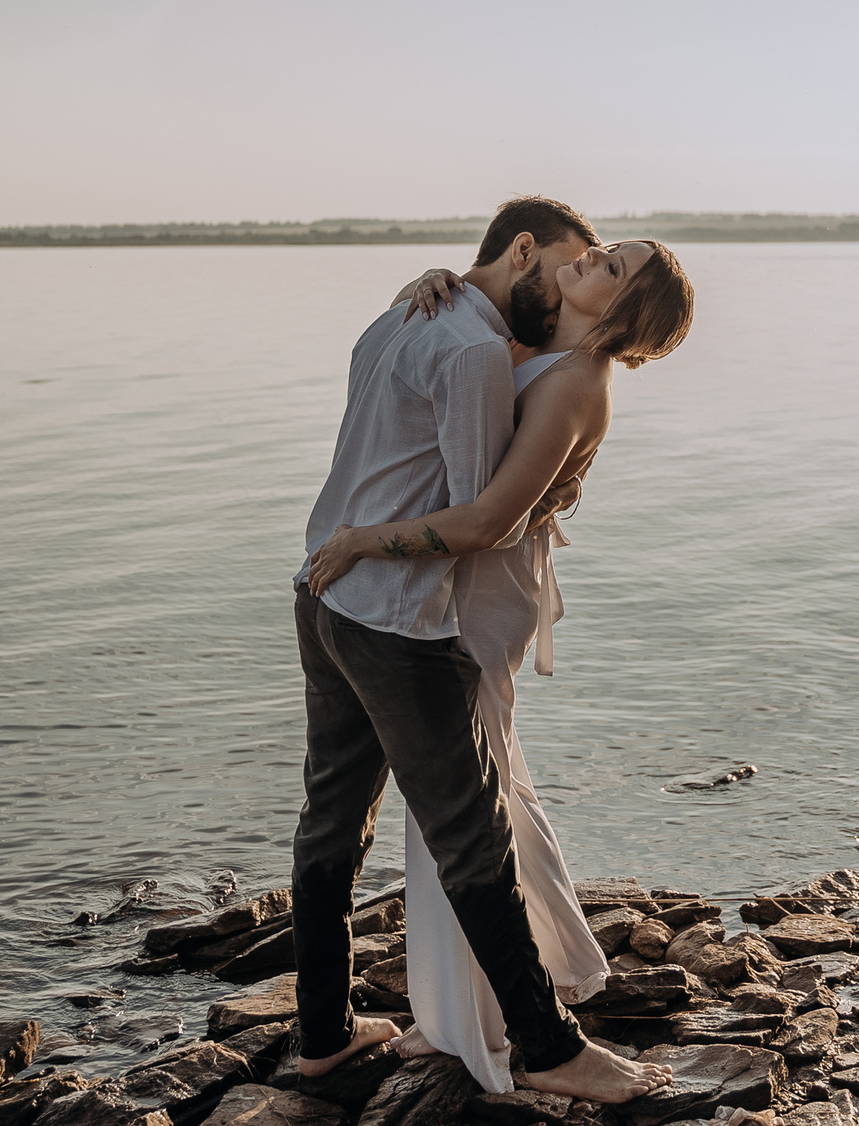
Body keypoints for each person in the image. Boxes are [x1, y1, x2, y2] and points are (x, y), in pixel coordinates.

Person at [288, 197, 684, 1104]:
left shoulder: (433, 324)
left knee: (345, 818)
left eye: (606, 265)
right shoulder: (470, 335)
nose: (584, 267)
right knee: (472, 834)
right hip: (393, 616)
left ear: (622, 315)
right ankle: (541, 1044)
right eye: (583, 254)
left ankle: (327, 1035)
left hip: (332, 592)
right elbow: (478, 512)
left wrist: (353, 539)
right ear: (524, 252)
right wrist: (369, 538)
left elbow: (487, 515)